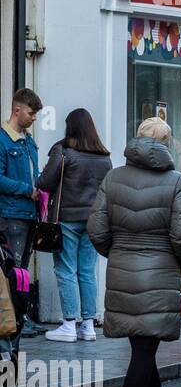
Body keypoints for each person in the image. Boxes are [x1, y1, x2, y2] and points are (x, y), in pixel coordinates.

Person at [88, 118, 181, 387]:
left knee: (141, 350)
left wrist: (116, 252)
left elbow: (97, 228)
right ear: (166, 143)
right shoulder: (176, 181)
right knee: (144, 351)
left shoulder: (113, 177)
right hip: (159, 270)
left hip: (121, 268)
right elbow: (180, 235)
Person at [37, 109, 113, 343]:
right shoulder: (104, 157)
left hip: (67, 219)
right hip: (93, 221)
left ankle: (69, 324)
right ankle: (88, 325)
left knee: (66, 270)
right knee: (88, 272)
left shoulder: (63, 152)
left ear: (71, 127)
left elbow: (45, 182)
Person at [0, 88, 42, 352]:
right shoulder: (3, 140)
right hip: (11, 214)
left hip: (28, 215)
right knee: (12, 275)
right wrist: (27, 190)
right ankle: (9, 329)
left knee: (21, 274)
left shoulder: (28, 141)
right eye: (31, 113)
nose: (34, 118)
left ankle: (17, 323)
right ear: (17, 110)